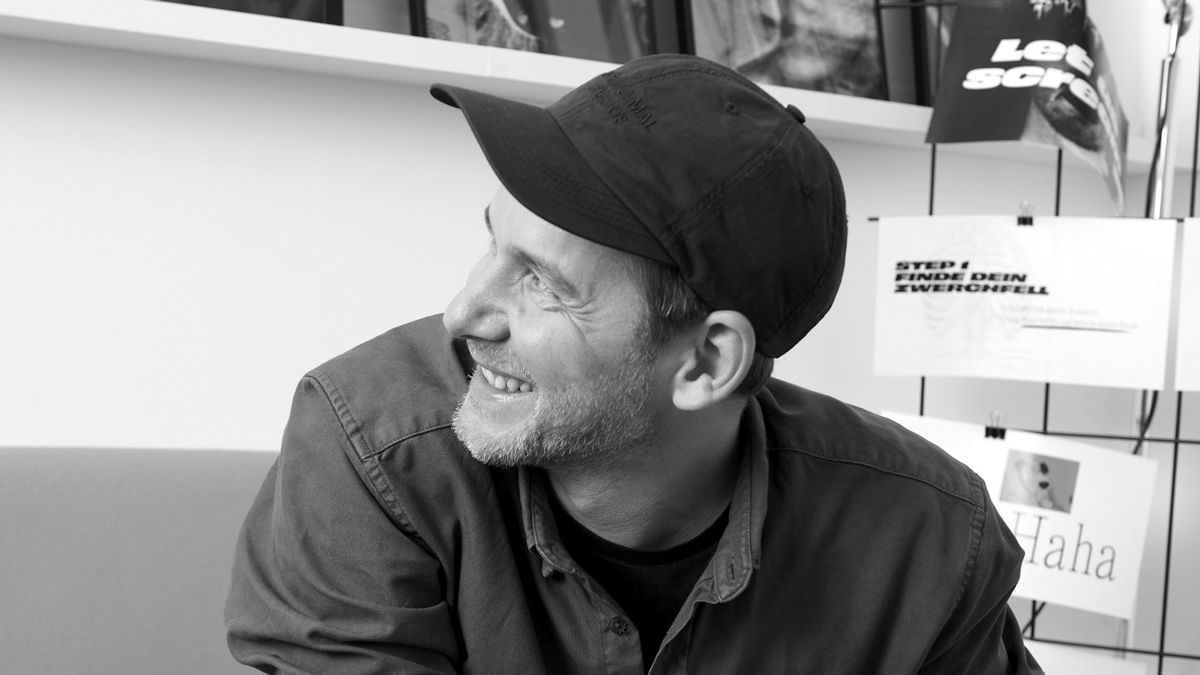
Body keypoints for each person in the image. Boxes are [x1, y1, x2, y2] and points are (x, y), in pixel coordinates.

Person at [225, 54, 1043, 674]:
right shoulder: (373, 450)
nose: (464, 312)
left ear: (708, 361)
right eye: (494, 242)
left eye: (542, 282)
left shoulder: (929, 545)